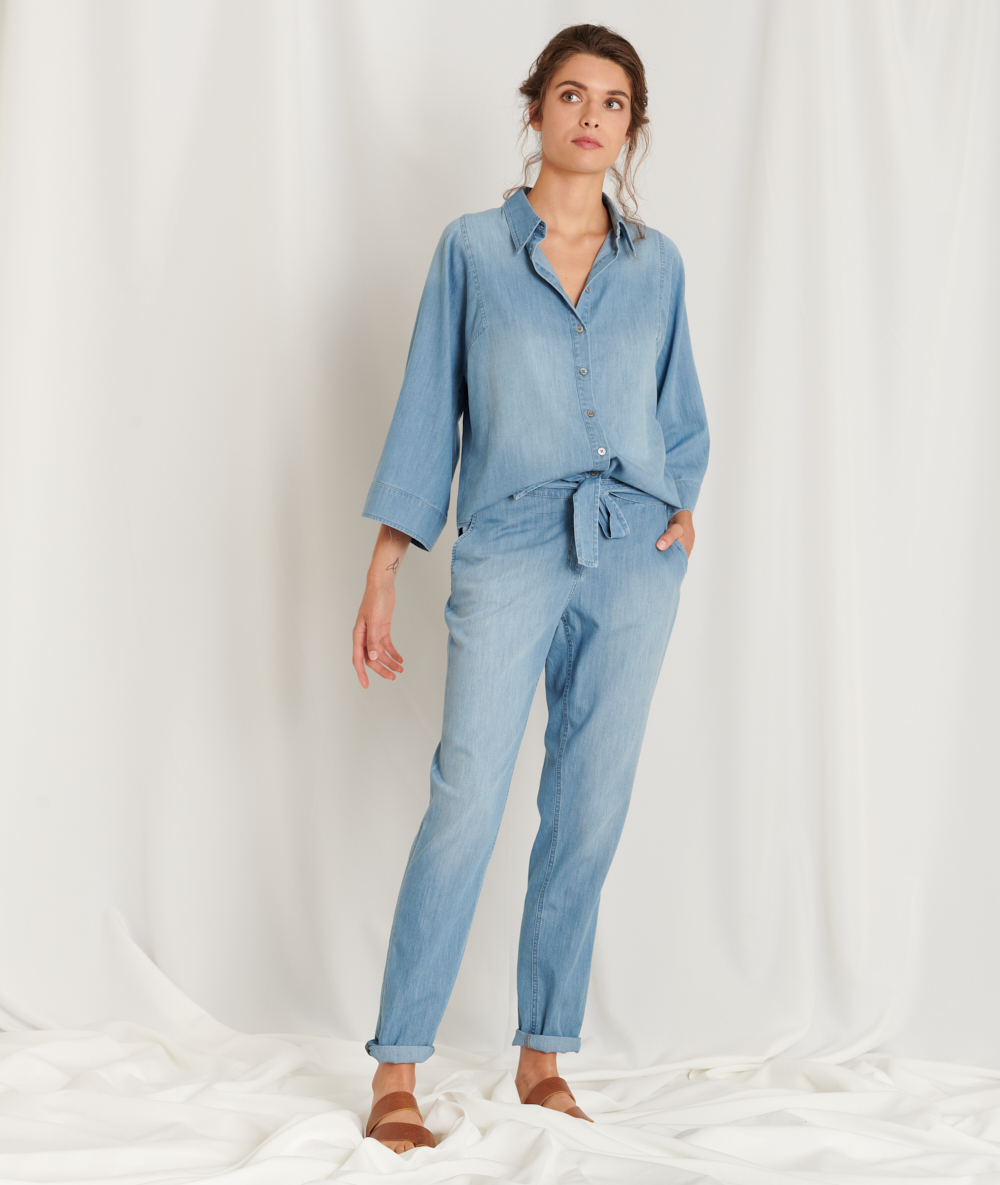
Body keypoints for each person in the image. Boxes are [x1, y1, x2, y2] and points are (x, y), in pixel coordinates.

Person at [351, 23, 709, 1153]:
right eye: (571, 94)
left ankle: (542, 1058)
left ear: (631, 128)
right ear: (537, 109)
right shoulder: (471, 250)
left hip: (635, 554)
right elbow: (427, 411)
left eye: (613, 102)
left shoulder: (658, 265)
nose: (591, 116)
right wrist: (385, 565)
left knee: (588, 807)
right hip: (509, 542)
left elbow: (680, 411)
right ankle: (397, 1069)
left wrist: (682, 505)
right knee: (467, 795)